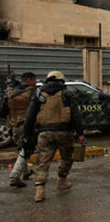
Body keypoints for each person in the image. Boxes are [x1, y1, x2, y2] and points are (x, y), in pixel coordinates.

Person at [24, 71, 84, 203]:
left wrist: (27, 134)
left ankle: (39, 190)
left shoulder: (39, 93)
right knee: (67, 157)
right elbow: (76, 115)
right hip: (64, 132)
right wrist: (80, 133)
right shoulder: (67, 93)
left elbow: (29, 116)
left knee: (43, 161)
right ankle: (61, 181)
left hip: (44, 133)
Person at [0, 71, 37, 186]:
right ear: (29, 80)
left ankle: (25, 172)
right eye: (34, 80)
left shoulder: (10, 93)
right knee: (26, 149)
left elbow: (2, 111)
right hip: (26, 125)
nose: (35, 83)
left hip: (13, 125)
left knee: (21, 148)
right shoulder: (32, 92)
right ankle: (14, 176)